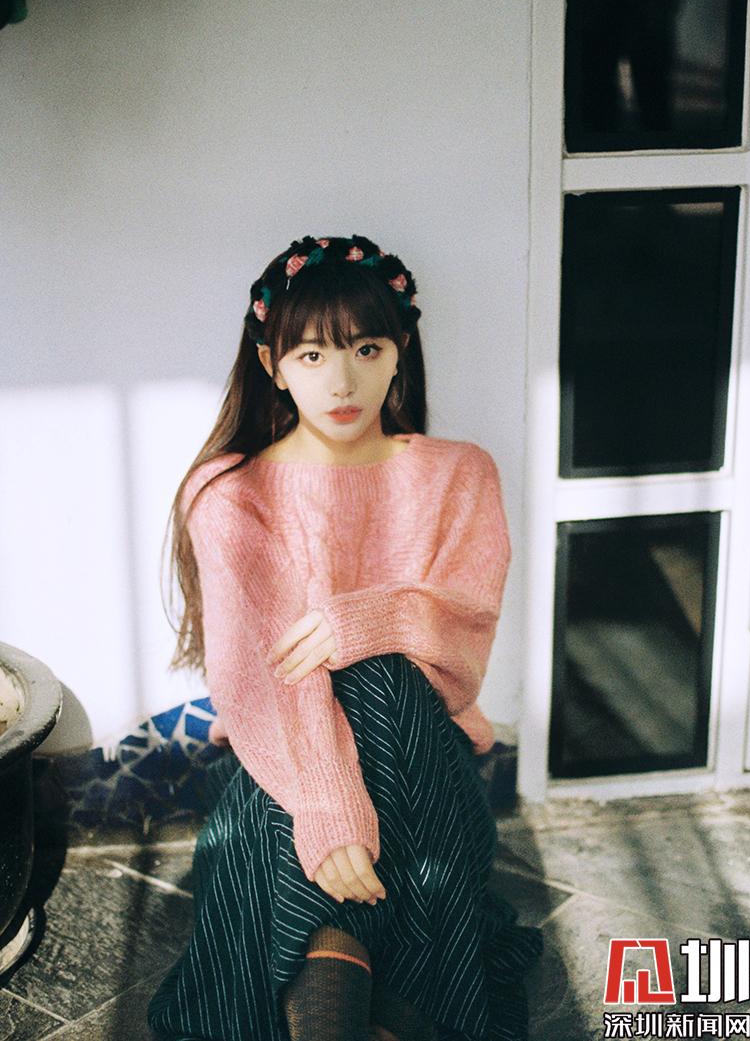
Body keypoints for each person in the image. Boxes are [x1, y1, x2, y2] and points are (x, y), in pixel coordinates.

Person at [147, 234, 543, 1041]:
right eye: (313, 354)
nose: (342, 380)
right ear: (272, 363)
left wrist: (366, 619)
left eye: (367, 348)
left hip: (427, 768)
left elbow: (461, 651)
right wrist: (329, 805)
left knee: (380, 674)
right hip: (282, 764)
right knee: (286, 818)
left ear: (401, 352)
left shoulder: (459, 473)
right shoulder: (229, 492)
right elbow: (263, 682)